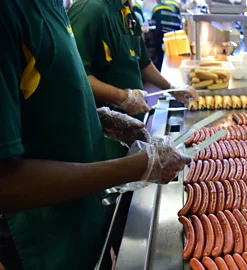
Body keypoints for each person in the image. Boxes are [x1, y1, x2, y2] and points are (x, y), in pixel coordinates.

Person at [0, 1, 191, 269]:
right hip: (43, 236)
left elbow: (43, 90)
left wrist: (94, 117)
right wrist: (132, 168)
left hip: (82, 213)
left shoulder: (51, 5)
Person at [68, 0, 195, 159]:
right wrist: (122, 97)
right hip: (101, 135)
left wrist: (171, 87)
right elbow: (75, 76)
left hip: (129, 131)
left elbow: (142, 62)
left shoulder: (128, 12)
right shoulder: (90, 10)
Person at [150, 0, 183, 70]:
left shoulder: (156, 8)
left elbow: (152, 22)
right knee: (170, 54)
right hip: (172, 35)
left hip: (160, 34)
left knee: (159, 53)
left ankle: (159, 69)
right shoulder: (173, 7)